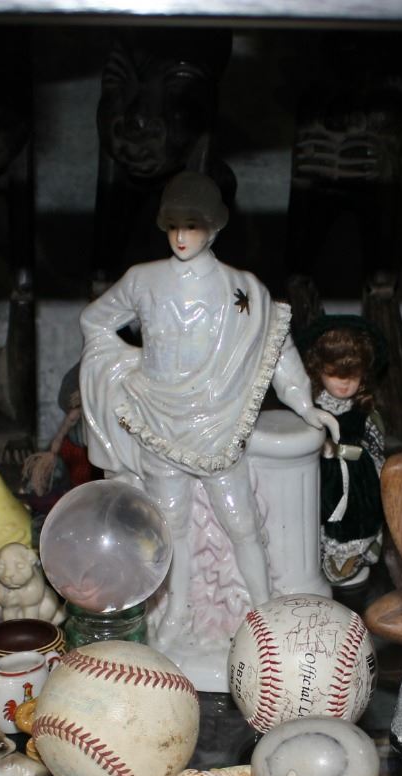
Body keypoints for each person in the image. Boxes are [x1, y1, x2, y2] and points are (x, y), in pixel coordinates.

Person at [79, 171, 337, 642]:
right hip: (159, 422)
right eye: (174, 225)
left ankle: (262, 607)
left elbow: (276, 347)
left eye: (193, 225)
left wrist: (305, 402)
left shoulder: (242, 289)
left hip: (218, 426)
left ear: (215, 227)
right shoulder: (143, 280)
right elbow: (95, 320)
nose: (181, 236)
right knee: (170, 525)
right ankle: (177, 611)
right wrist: (126, 366)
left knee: (241, 521)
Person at [302, 316, 387, 588]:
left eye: (353, 374)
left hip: (357, 483)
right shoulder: (310, 410)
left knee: (358, 517)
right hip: (320, 478)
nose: (344, 382)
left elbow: (377, 450)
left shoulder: (364, 413)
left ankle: (353, 557)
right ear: (318, 369)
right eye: (333, 373)